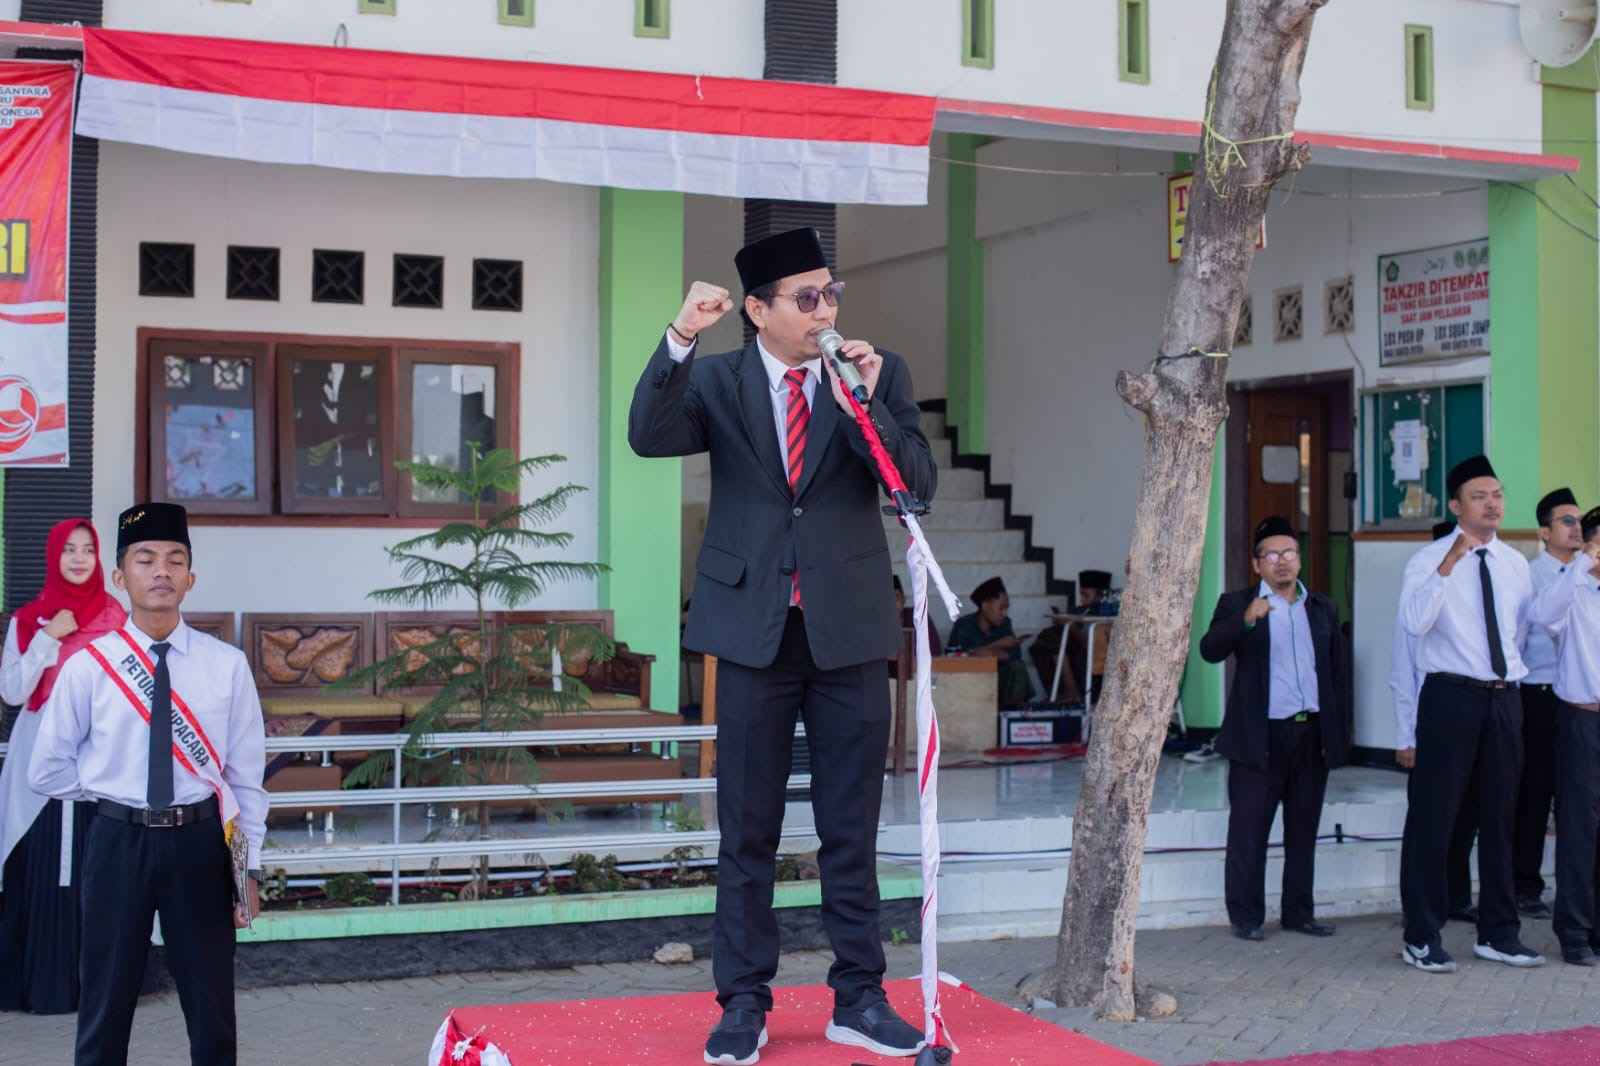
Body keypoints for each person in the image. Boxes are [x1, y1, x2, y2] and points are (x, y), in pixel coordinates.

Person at [628, 227, 935, 1064]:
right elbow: (648, 434)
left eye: (831, 293)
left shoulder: (874, 374)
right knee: (748, 829)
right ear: (757, 310)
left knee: (851, 827)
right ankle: (743, 1004)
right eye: (807, 298)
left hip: (849, 630)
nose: (825, 309)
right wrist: (680, 336)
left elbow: (916, 488)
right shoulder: (719, 379)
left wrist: (864, 404)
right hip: (754, 631)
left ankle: (860, 998)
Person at [29, 502, 268, 1065]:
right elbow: (47, 768)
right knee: (104, 1012)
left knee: (212, 1016)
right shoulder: (91, 666)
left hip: (201, 844)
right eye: (145, 559)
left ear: (190, 578)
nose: (161, 571)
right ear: (120, 577)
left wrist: (249, 867)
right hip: (116, 844)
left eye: (174, 559)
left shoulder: (225, 665)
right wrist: (111, 791)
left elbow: (246, 780)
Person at [1396, 455, 1542, 973]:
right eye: (1480, 496)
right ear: (1457, 506)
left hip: (1504, 699)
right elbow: (1414, 625)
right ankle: (1421, 935)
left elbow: (1517, 633)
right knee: (1437, 820)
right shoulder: (1428, 560)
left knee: (1502, 817)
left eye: (1498, 494)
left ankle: (1498, 933)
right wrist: (1450, 563)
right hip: (1450, 699)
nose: (1493, 503)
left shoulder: (1515, 564)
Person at [1199, 516, 1350, 941]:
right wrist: (1246, 619)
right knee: (1249, 830)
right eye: (1272, 555)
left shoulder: (1321, 607)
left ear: (1298, 560)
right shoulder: (1237, 603)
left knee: (1302, 829)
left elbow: (1336, 673)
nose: (1282, 562)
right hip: (1260, 737)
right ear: (1256, 564)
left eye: (1289, 553)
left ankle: (1298, 912)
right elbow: (1210, 650)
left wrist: (1338, 735)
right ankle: (1246, 917)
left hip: (1311, 733)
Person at [0, 520, 128, 1014]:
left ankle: (99, 990)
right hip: (39, 761)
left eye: (88, 549)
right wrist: (48, 637)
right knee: (39, 861)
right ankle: (37, 983)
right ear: (54, 556)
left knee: (100, 869)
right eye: (69, 550)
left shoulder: (118, 619)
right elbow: (12, 692)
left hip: (100, 760)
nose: (78, 558)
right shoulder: (29, 619)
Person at [1392, 519, 1478, 925]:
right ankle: (1416, 901)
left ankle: (1456, 897)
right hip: (1430, 722)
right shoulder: (1422, 597)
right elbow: (1402, 673)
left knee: (1465, 817)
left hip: (1465, 720)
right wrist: (1405, 737)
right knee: (1427, 819)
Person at [1527, 504, 1600, 965]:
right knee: (1578, 828)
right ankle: (1574, 931)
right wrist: (1582, 566)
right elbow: (1541, 615)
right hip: (1582, 720)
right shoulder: (1572, 591)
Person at [1513, 487, 1580, 919]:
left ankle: (1577, 887)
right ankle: (1525, 885)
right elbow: (1517, 635)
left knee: (1576, 795)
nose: (1577, 529)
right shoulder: (1530, 574)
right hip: (1537, 693)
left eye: (1579, 522)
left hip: (1578, 698)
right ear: (1544, 531)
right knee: (1533, 793)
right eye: (1567, 521)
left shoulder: (1589, 573)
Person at [946, 576, 1032, 707]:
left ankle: (1010, 716)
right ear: (985, 605)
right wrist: (996, 645)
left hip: (1001, 683)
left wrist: (977, 652)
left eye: (1006, 609)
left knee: (1017, 668)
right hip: (969, 681)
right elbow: (952, 657)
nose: (1004, 613)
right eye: (1001, 608)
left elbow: (1012, 656)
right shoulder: (964, 625)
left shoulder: (1005, 624)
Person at [892, 575, 941, 657]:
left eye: (896, 598)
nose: (892, 604)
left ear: (904, 600)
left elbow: (934, 652)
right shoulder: (877, 624)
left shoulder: (918, 617)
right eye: (888, 600)